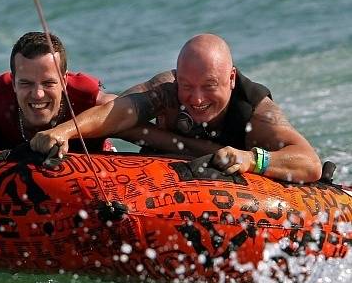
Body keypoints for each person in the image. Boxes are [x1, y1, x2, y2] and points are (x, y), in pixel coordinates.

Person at [30, 33, 322, 183]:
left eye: (209, 86)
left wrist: (250, 160)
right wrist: (64, 131)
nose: (195, 98)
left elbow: (310, 164)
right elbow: (116, 111)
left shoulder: (256, 111)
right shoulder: (166, 90)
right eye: (187, 85)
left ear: (231, 78)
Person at [0, 31, 116, 154]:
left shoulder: (92, 104)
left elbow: (133, 117)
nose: (38, 94)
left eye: (48, 83)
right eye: (26, 83)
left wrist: (66, 131)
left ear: (64, 81)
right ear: (14, 84)